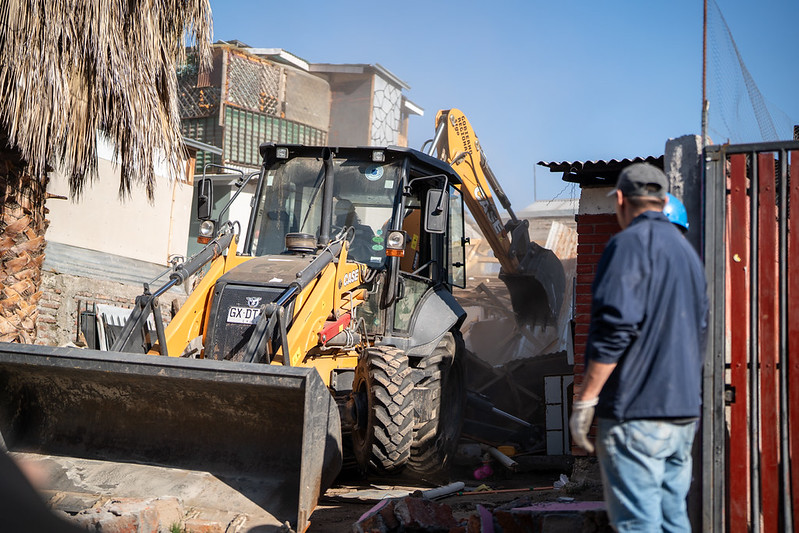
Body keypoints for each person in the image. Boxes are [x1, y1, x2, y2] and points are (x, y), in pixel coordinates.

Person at [569, 163, 708, 532]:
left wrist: (586, 399)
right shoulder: (687, 255)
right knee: (672, 519)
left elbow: (615, 328)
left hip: (637, 414)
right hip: (681, 414)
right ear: (664, 201)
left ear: (619, 199)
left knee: (638, 524)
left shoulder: (628, 244)